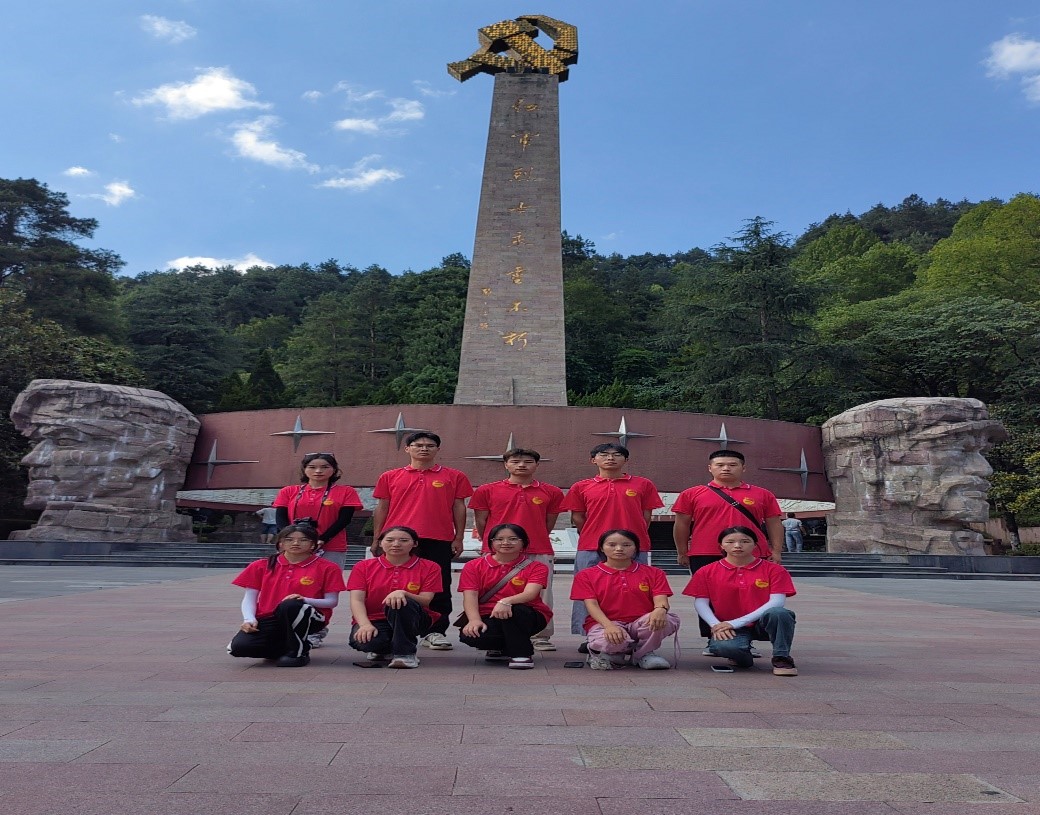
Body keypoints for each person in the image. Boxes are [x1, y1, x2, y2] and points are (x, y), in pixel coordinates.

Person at [671, 449, 784, 652]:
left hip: (752, 554)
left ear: (743, 468)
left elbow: (774, 523)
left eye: (732, 465)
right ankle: (714, 637)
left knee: (751, 595)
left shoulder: (762, 494)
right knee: (709, 597)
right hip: (705, 553)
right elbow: (681, 525)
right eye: (720, 465)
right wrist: (682, 551)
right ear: (710, 468)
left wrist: (776, 550)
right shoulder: (692, 494)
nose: (726, 468)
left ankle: (747, 637)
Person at [371, 432, 474, 652]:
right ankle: (390, 627)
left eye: (430, 445)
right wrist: (377, 537)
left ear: (438, 449)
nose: (424, 449)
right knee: (394, 581)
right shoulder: (390, 476)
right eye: (418, 445)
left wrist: (458, 537)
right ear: (407, 449)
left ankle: (434, 631)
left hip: (438, 537)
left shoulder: (454, 476)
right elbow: (382, 507)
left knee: (439, 586)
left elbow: (459, 507)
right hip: (399, 539)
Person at [562, 443, 663, 640]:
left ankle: (637, 634)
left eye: (617, 455)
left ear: (626, 460)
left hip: (634, 547)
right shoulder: (581, 487)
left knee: (636, 592)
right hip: (591, 546)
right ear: (593, 460)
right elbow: (578, 517)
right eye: (604, 455)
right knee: (588, 593)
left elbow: (646, 516)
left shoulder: (643, 484)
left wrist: (632, 538)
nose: (610, 458)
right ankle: (591, 636)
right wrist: (594, 533)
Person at [469, 448, 563, 651]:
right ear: (506, 464)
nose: (521, 465)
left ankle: (541, 635)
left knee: (542, 593)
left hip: (537, 548)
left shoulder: (552, 492)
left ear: (537, 465)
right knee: (495, 592)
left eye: (528, 462)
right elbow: (481, 521)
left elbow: (548, 523)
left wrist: (530, 539)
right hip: (497, 551)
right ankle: (495, 632)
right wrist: (492, 545)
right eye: (515, 461)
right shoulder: (487, 490)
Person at [683, 526, 798, 676]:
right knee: (722, 647)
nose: (737, 546)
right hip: (728, 626)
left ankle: (782, 657)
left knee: (780, 613)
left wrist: (736, 623)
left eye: (745, 541)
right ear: (721, 546)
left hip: (762, 623)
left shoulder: (774, 570)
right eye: (730, 542)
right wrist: (715, 625)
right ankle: (742, 657)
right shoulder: (707, 571)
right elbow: (701, 602)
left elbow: (777, 601)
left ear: (755, 545)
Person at [228, 523, 346, 668]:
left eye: (303, 540)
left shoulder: (328, 567)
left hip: (309, 616)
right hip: (269, 617)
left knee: (291, 605)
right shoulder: (261, 565)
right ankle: (287, 647)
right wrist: (249, 619)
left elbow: (331, 601)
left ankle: (298, 653)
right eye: (289, 539)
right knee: (239, 647)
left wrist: (304, 600)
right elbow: (249, 598)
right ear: (281, 543)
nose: (295, 543)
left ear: (313, 545)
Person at [569, 529, 679, 670]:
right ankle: (612, 652)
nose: (619, 549)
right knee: (609, 641)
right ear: (602, 548)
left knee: (666, 619)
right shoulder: (586, 575)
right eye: (612, 545)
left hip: (640, 623)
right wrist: (609, 626)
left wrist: (660, 609)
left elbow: (661, 599)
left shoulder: (654, 573)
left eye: (626, 545)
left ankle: (643, 654)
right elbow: (592, 605)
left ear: (635, 548)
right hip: (606, 622)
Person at [458, 523, 553, 670]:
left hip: (527, 615)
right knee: (471, 634)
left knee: (514, 611)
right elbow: (470, 595)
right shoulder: (473, 566)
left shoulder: (537, 567)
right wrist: (474, 620)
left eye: (513, 539)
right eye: (499, 539)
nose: (506, 543)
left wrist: (506, 601)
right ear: (491, 542)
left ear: (523, 542)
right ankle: (500, 648)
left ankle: (521, 654)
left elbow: (530, 594)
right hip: (489, 614)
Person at [347, 525, 441, 669]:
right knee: (367, 641)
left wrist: (404, 593)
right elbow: (356, 600)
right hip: (375, 619)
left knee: (401, 602)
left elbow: (426, 600)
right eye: (390, 540)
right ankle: (385, 649)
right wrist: (365, 625)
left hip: (413, 618)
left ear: (415, 543)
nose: (396, 544)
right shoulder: (363, 566)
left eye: (404, 540)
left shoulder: (430, 567)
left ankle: (405, 654)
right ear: (380, 543)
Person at [273, 453, 363, 570]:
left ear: (334, 469)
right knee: (289, 577)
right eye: (312, 467)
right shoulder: (288, 491)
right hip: (293, 545)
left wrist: (322, 539)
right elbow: (280, 518)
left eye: (325, 467)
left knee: (329, 578)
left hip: (331, 545)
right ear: (304, 469)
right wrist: (289, 538)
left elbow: (344, 520)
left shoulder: (346, 491)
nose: (318, 471)